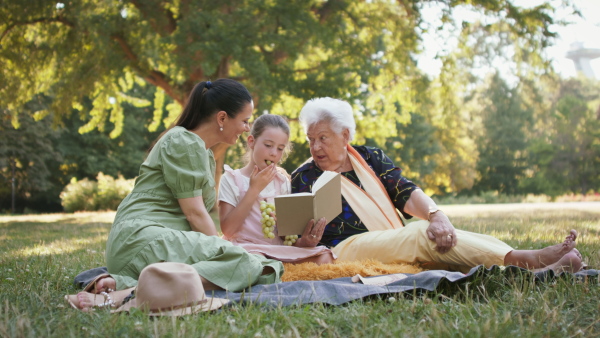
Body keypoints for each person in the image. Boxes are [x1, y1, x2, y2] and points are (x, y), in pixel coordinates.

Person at [290, 97, 583, 274]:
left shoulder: (370, 157)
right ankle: (523, 259)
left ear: (345, 135)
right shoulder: (303, 177)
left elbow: (404, 190)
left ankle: (539, 270)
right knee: (420, 235)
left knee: (439, 236)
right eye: (310, 139)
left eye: (323, 138)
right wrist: (304, 243)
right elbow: (294, 238)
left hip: (390, 238)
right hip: (343, 249)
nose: (315, 146)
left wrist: (436, 214)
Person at [68, 79, 284, 311]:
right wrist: (224, 250)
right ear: (222, 118)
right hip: (142, 240)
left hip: (152, 245)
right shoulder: (184, 142)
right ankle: (129, 294)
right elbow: (194, 214)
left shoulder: (203, 152)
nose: (246, 128)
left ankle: (121, 283)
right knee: (249, 264)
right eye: (244, 120)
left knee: (263, 264)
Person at [218, 114, 335, 264]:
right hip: (247, 249)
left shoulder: (282, 181)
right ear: (251, 142)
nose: (274, 153)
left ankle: (278, 270)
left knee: (325, 256)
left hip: (276, 250)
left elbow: (286, 238)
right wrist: (254, 189)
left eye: (280, 148)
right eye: (268, 145)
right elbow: (227, 229)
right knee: (256, 263)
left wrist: (305, 242)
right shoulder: (232, 179)